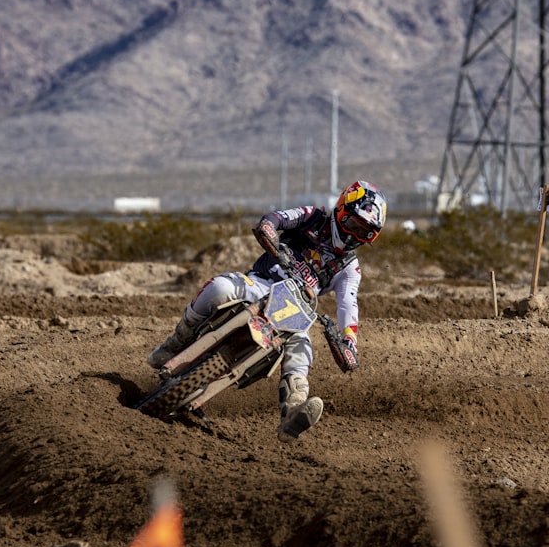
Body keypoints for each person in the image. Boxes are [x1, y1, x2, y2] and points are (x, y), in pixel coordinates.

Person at [147, 180, 387, 442]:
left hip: (295, 311)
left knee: (303, 351)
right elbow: (275, 219)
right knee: (219, 287)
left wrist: (349, 343)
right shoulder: (312, 217)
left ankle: (292, 412)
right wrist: (270, 232)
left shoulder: (350, 269)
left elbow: (348, 305)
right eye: (353, 225)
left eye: (363, 233)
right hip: (262, 283)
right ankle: (176, 341)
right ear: (342, 211)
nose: (353, 236)